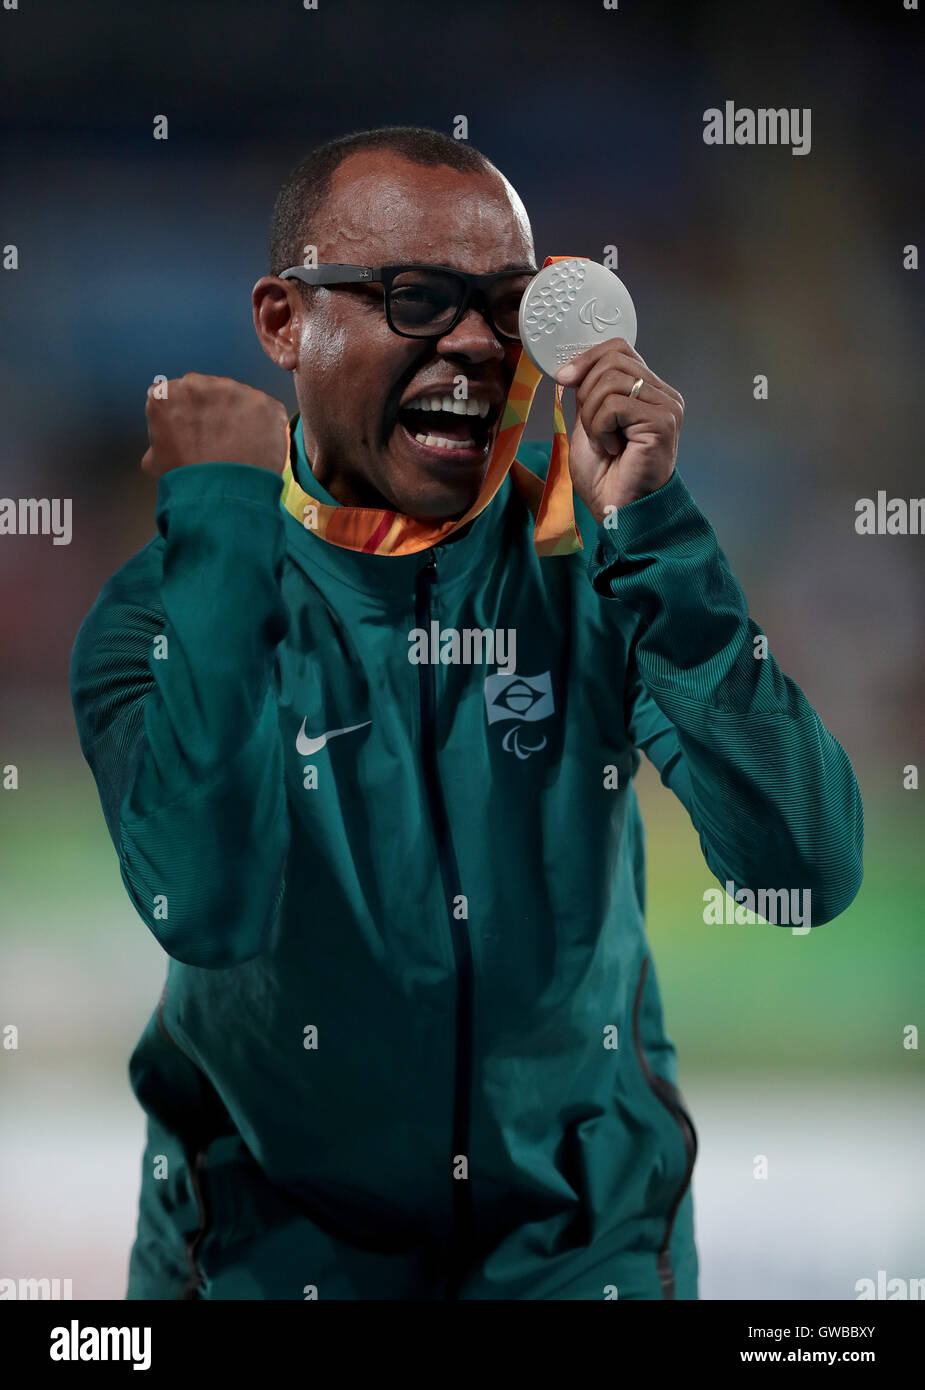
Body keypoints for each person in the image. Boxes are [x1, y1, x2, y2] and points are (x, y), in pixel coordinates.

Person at [69, 125, 864, 1301]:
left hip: (579, 1247)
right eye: (417, 299)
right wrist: (230, 536)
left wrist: (654, 537)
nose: (479, 347)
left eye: (509, 308)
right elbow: (212, 903)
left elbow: (807, 871)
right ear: (285, 321)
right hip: (260, 1254)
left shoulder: (595, 565)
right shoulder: (165, 613)